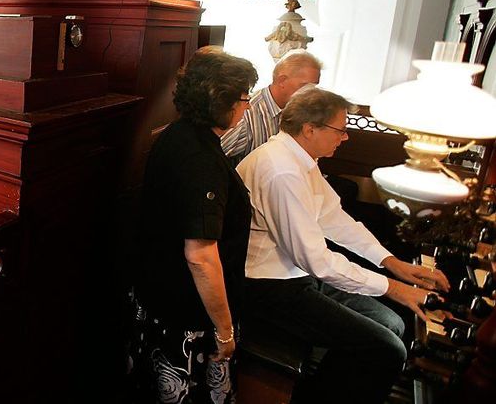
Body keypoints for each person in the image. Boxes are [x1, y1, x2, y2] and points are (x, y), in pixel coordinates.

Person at [238, 86, 449, 404]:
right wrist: (392, 288)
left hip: (295, 276)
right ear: (310, 129)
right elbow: (317, 261)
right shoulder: (280, 170)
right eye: (341, 129)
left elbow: (334, 218)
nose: (346, 136)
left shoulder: (299, 158)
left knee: (392, 323)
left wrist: (390, 262)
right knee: (388, 348)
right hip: (269, 288)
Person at [134, 50, 258, 403]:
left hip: (160, 295)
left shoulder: (178, 133)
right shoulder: (201, 161)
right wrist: (223, 331)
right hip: (187, 312)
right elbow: (201, 255)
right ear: (222, 102)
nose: (247, 107)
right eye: (245, 98)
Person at [221, 49, 322, 160]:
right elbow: (211, 159)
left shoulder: (302, 112)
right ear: (282, 81)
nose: (311, 93)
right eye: (305, 86)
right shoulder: (247, 114)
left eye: (314, 87)